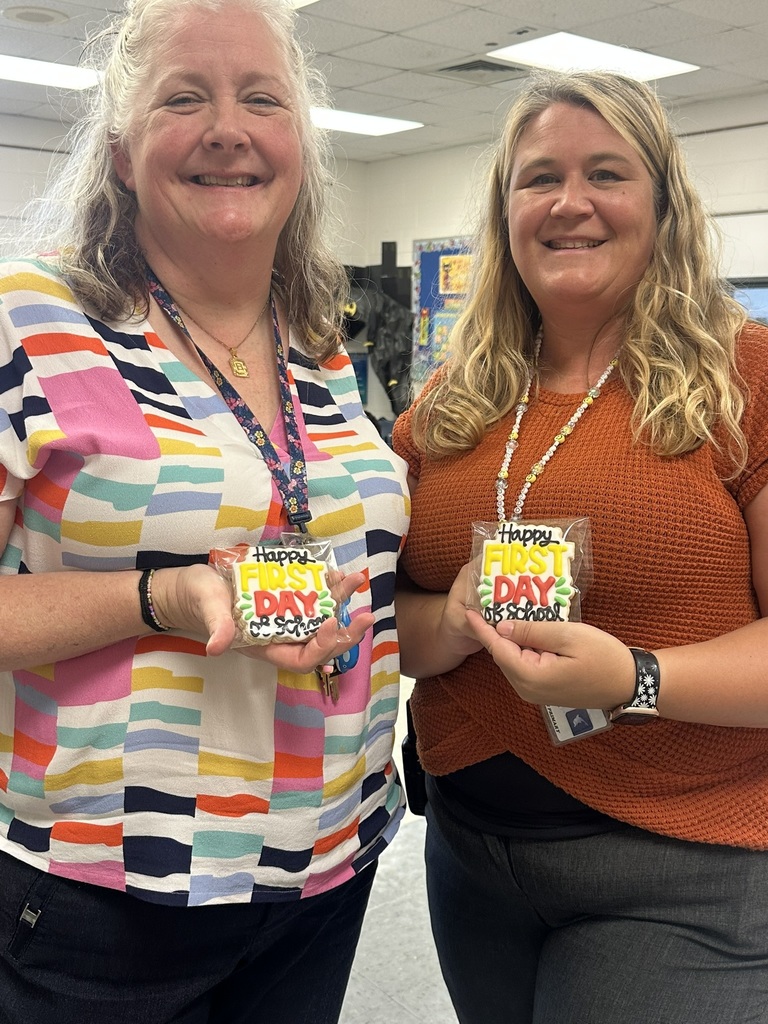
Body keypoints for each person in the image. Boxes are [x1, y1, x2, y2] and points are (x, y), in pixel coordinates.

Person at [0, 1, 409, 1021]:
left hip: (325, 868)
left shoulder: (317, 347)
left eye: (260, 98)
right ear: (124, 151)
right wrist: (165, 594)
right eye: (185, 96)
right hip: (110, 894)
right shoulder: (34, 321)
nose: (228, 126)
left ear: (300, 151)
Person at [393, 69, 768, 1024]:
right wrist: (456, 619)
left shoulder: (744, 377)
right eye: (538, 178)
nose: (570, 203)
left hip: (679, 867)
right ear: (505, 210)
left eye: (607, 172)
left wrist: (636, 677)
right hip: (470, 849)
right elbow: (383, 616)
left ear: (663, 204)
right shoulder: (451, 402)